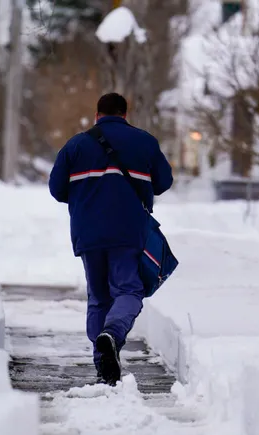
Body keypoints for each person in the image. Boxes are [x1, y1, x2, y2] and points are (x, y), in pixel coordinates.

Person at [48, 93, 173, 386]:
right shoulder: (145, 142)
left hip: (87, 232)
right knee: (129, 290)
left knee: (99, 296)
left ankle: (102, 362)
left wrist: (86, 195)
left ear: (97, 115)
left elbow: (57, 189)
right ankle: (113, 335)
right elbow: (164, 183)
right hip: (128, 231)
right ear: (124, 114)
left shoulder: (76, 145)